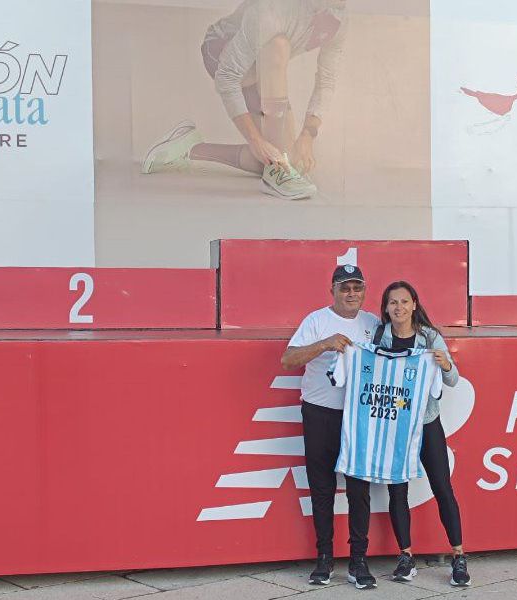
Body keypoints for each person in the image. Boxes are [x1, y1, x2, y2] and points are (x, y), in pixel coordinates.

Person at [141, 0, 348, 201]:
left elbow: (326, 81)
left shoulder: (339, 20)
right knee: (279, 45)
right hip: (222, 54)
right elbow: (227, 75)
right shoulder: (273, 8)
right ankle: (277, 173)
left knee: (287, 159)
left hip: (261, 68)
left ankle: (189, 147)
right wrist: (255, 140)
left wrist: (307, 135)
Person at [281, 264, 379, 589]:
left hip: (358, 416)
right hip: (320, 412)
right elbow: (289, 359)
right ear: (333, 291)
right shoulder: (316, 320)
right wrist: (324, 344)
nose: (351, 294)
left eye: (357, 288)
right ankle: (324, 557)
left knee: (358, 490)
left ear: (364, 291)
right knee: (321, 488)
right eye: (344, 288)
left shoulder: (373, 324)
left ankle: (358, 560)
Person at [375, 280, 472, 587]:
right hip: (394, 424)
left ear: (414, 304)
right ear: (386, 308)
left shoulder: (430, 337)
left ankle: (458, 556)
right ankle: (406, 556)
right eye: (393, 303)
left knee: (443, 487)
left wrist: (444, 364)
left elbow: (453, 379)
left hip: (427, 421)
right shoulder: (379, 336)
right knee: (397, 491)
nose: (399, 308)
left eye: (404, 302)